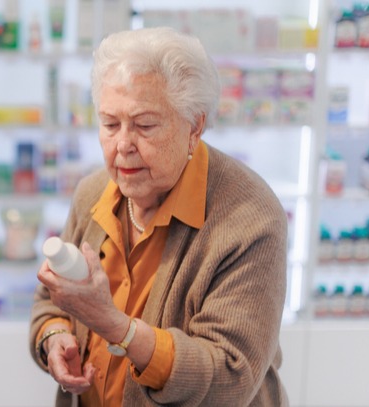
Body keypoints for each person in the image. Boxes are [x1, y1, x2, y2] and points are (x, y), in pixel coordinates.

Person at [29, 27, 289, 406]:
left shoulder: (250, 219)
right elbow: (50, 302)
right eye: (109, 124)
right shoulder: (92, 193)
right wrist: (55, 337)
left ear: (194, 126)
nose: (122, 145)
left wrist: (116, 327)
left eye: (145, 125)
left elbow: (231, 374)